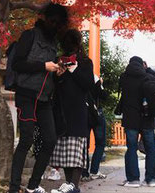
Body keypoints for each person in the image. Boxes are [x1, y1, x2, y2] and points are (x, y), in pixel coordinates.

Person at [9, 3, 70, 193]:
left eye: (59, 24)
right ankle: (13, 187)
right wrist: (43, 66)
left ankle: (33, 185)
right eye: (54, 22)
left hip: (45, 99)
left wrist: (57, 71)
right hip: (26, 94)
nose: (56, 26)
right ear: (46, 19)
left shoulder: (53, 43)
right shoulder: (30, 35)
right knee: (26, 139)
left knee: (50, 140)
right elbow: (18, 64)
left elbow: (48, 70)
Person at [49, 29, 95, 193]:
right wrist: (59, 75)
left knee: (75, 150)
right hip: (61, 110)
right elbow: (53, 85)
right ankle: (69, 185)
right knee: (65, 152)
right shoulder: (58, 60)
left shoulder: (85, 62)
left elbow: (88, 84)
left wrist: (74, 69)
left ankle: (73, 186)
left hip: (77, 111)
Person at [117, 57, 155, 188]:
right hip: (146, 118)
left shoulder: (124, 77)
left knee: (131, 148)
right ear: (142, 64)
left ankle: (133, 179)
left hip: (130, 119)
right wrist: (148, 68)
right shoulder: (147, 76)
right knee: (150, 149)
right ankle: (151, 179)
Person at [83, 74, 108, 180]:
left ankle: (84, 173)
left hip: (84, 113)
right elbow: (104, 95)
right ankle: (94, 170)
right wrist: (101, 84)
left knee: (84, 144)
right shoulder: (95, 78)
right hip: (97, 113)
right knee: (100, 143)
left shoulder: (78, 76)